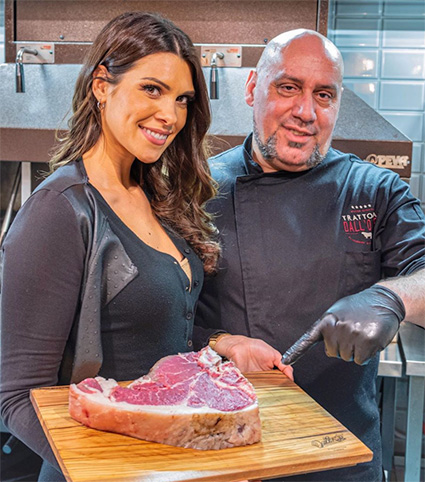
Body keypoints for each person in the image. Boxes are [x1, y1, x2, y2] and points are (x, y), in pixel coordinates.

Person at [0, 12, 223, 481]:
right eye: (152, 89)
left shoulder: (153, 195)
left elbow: (153, 338)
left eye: (182, 99)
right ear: (102, 84)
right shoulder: (61, 210)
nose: (171, 115)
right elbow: (16, 398)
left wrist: (224, 345)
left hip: (168, 467)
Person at [194, 29, 425, 482]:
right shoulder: (196, 190)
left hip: (339, 457)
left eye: (324, 94)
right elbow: (155, 320)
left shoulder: (375, 191)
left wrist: (392, 299)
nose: (305, 112)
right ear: (251, 90)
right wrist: (221, 342)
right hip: (224, 456)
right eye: (288, 88)